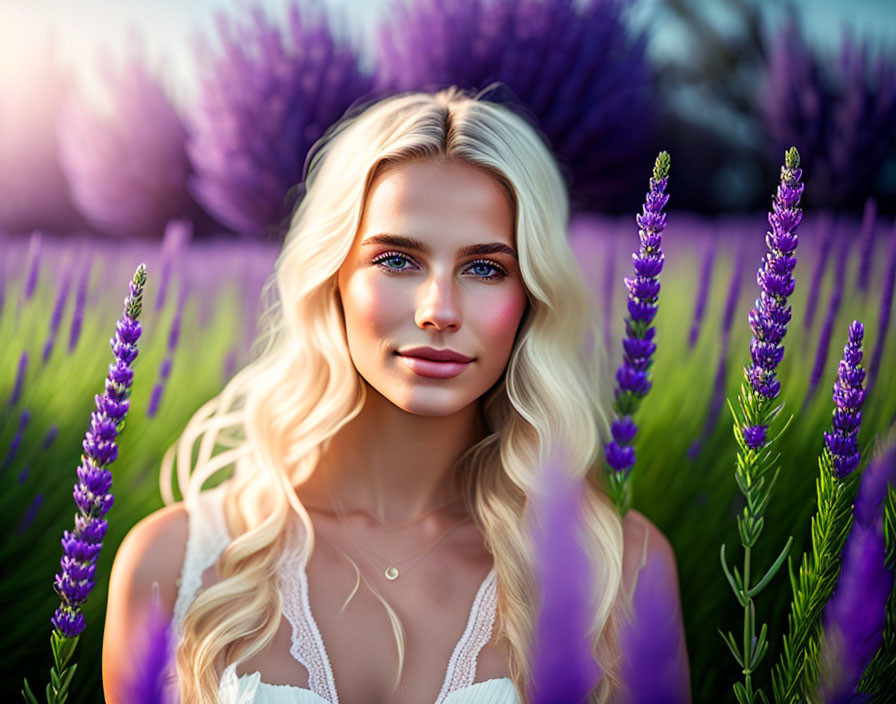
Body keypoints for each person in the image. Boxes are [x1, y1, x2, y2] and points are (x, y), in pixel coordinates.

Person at [102, 86, 689, 704]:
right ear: (333, 279)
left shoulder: (616, 571)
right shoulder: (173, 563)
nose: (439, 310)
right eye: (397, 260)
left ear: (532, 299)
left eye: (485, 268)